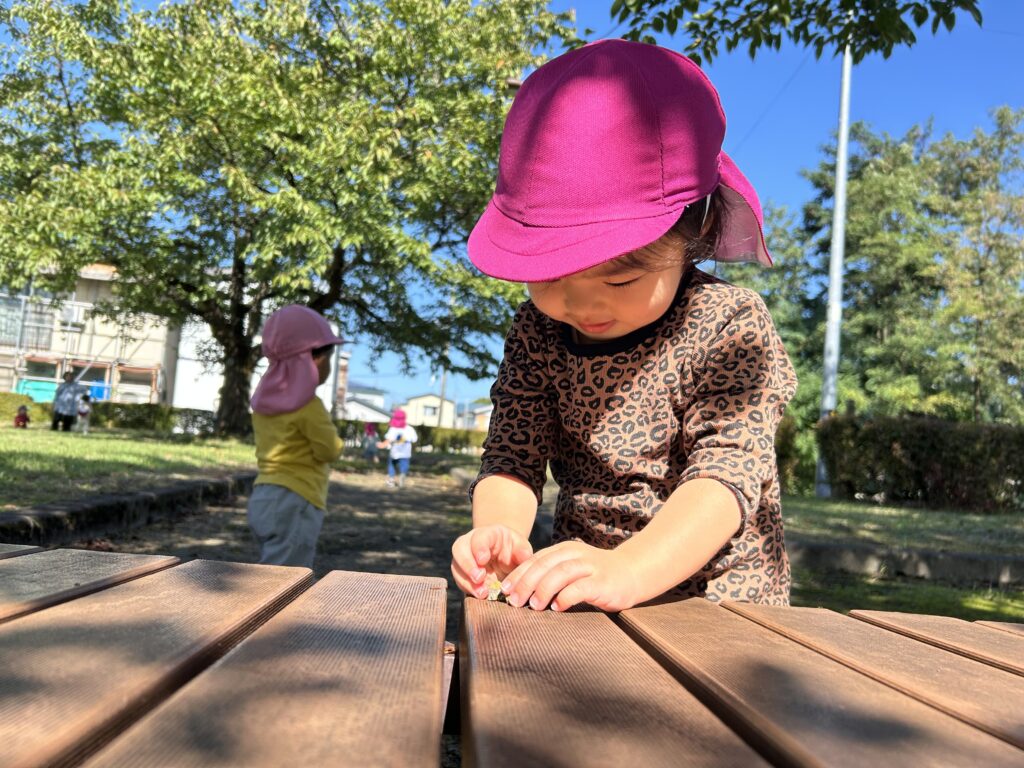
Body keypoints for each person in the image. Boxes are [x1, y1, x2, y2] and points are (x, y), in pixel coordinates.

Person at [450, 40, 797, 614]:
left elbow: (725, 475)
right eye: (549, 275)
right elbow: (512, 454)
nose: (580, 303)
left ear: (693, 233)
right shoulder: (539, 329)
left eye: (621, 279)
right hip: (585, 590)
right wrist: (499, 534)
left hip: (718, 603)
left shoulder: (727, 325)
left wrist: (629, 570)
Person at [247, 305, 344, 568]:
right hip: (297, 498)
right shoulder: (309, 405)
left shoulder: (262, 402)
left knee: (271, 568)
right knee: (289, 577)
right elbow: (329, 450)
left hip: (264, 494)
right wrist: (338, 443)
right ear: (316, 359)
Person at [379, 408, 417, 488]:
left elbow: (388, 440)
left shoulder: (393, 428)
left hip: (394, 452)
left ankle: (391, 479)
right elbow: (414, 439)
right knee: (404, 465)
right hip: (406, 452)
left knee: (391, 465)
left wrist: (382, 444)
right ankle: (402, 474)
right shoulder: (410, 429)